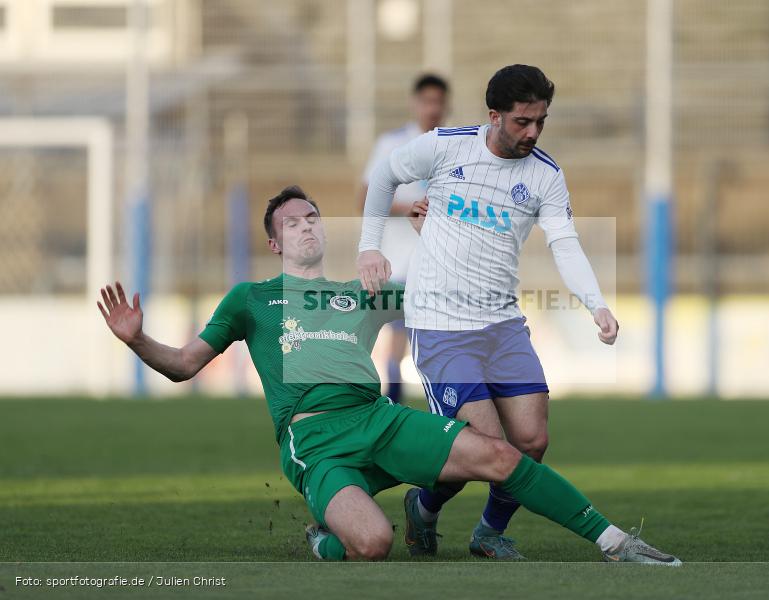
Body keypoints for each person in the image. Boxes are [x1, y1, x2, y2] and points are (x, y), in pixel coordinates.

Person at [97, 185, 680, 565]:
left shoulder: (364, 293)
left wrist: (441, 238)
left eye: (313, 218)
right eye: (292, 223)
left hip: (379, 418)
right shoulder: (251, 299)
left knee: (500, 456)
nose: (306, 227)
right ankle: (328, 535)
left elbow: (451, 298)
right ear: (274, 242)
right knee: (372, 545)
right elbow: (183, 365)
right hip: (318, 441)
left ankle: (615, 542)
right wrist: (138, 340)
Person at [357, 64, 620, 559]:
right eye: (523, 121)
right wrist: (370, 247)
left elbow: (565, 243)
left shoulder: (545, 174)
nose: (533, 131)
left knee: (532, 441)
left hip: (501, 324)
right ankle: (426, 506)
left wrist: (597, 304)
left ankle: (486, 533)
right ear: (494, 115)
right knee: (486, 448)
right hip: (439, 322)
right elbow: (384, 174)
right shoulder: (446, 146)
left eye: (541, 120)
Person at [358, 74, 451, 404]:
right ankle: (392, 398)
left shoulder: (454, 146)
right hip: (399, 256)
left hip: (440, 260)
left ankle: (444, 404)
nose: (433, 108)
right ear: (415, 104)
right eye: (427, 101)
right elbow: (366, 196)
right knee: (400, 334)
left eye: (439, 101)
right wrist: (409, 208)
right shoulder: (392, 143)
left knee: (437, 337)